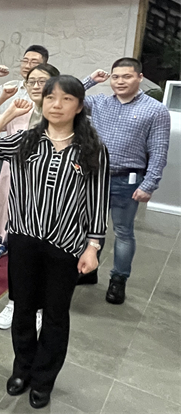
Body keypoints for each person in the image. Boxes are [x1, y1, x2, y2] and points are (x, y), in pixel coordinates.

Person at [0, 76, 109, 409]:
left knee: (55, 315)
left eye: (66, 99)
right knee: (22, 309)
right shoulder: (25, 140)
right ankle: (22, 370)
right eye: (50, 98)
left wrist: (93, 246)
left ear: (79, 106)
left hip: (66, 244)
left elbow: (98, 200)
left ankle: (44, 379)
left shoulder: (92, 149)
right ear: (42, 102)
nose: (56, 105)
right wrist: (7, 114)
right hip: (24, 239)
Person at [0, 63, 60, 330]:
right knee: (19, 250)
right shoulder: (20, 107)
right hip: (15, 184)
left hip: (50, 194)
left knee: (45, 252)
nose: (35, 86)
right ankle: (15, 301)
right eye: (31, 81)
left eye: (42, 81)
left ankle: (40, 306)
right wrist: (8, 111)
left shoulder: (61, 116)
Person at [81, 58, 170, 303]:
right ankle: (88, 269)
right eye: (115, 76)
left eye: (127, 76)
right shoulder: (99, 102)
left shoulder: (155, 110)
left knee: (123, 232)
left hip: (127, 180)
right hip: (94, 177)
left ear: (140, 77)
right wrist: (90, 80)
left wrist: (149, 184)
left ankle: (118, 280)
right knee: (90, 227)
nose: (120, 81)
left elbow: (159, 150)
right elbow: (67, 95)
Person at [0, 44, 49, 108]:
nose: (27, 66)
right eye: (25, 61)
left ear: (44, 66)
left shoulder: (47, 90)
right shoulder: (11, 85)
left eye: (34, 62)